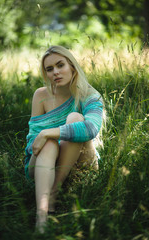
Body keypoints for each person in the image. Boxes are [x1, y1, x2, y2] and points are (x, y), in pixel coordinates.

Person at [25, 45, 104, 234]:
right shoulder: (41, 95)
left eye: (60, 65)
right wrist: (45, 137)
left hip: (80, 164)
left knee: (75, 120)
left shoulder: (89, 95)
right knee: (49, 143)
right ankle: (42, 217)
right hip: (43, 163)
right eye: (49, 69)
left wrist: (47, 132)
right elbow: (33, 142)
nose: (55, 72)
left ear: (72, 66)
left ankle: (54, 192)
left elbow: (91, 128)